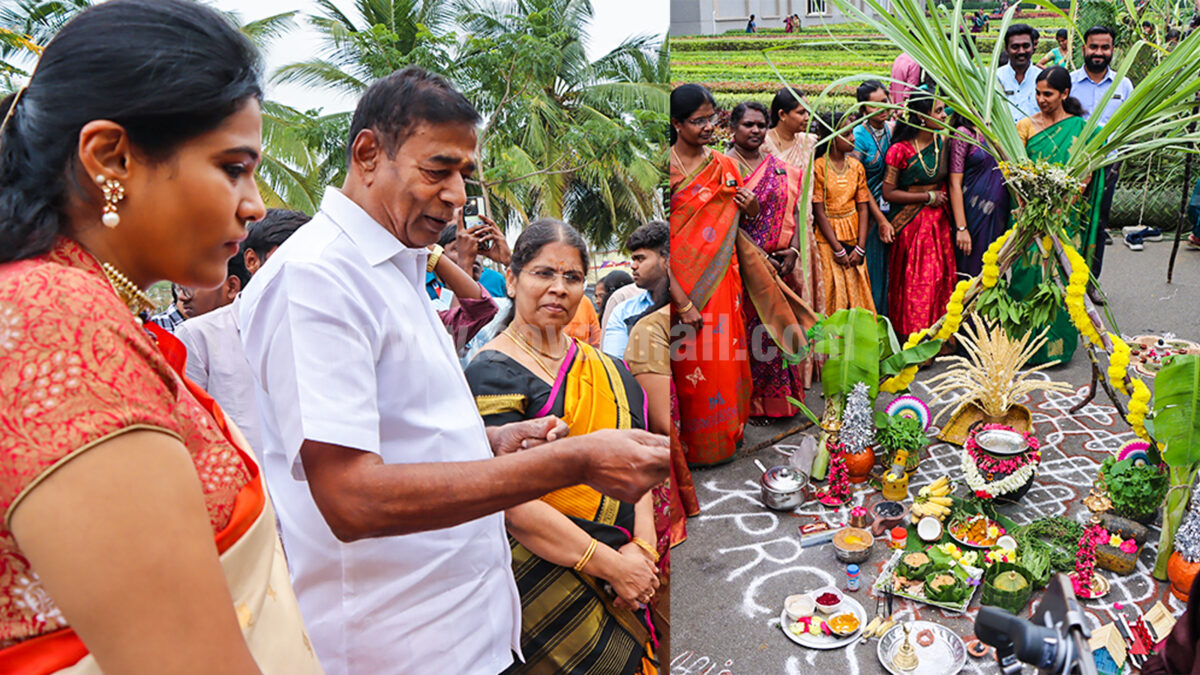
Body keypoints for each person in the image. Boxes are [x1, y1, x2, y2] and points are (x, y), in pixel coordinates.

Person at [239, 66, 669, 675]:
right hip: (401, 646)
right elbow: (350, 497)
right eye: (438, 169)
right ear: (368, 154)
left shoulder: (398, 269)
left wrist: (488, 443)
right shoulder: (319, 278)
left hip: (472, 629)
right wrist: (567, 462)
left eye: (464, 174)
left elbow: (399, 434)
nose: (458, 195)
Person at [0, 1, 321, 671]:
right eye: (233, 167)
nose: (255, 203)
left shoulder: (82, 302)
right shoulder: (55, 321)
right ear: (110, 157)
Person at [464, 219, 659, 675]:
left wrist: (642, 554)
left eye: (571, 277)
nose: (558, 288)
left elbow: (641, 466)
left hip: (628, 572)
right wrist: (611, 566)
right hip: (544, 583)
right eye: (542, 273)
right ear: (511, 280)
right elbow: (508, 500)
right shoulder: (489, 373)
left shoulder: (609, 368)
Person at [176, 208, 308, 460]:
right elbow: (189, 435)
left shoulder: (321, 331)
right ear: (251, 261)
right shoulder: (198, 337)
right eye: (288, 261)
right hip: (244, 491)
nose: (303, 272)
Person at [669, 83, 753, 466]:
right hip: (681, 289)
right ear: (676, 123)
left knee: (724, 363)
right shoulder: (667, 168)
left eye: (711, 119)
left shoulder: (725, 164)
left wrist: (749, 206)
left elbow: (739, 218)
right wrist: (682, 300)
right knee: (690, 369)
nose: (707, 127)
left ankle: (725, 437)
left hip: (722, 282)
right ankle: (694, 448)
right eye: (697, 121)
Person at [725, 101, 817, 417]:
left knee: (775, 335)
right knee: (746, 335)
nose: (755, 130)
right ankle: (750, 405)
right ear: (732, 128)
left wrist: (792, 250)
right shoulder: (723, 168)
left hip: (778, 266)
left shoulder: (779, 168)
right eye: (748, 124)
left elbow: (792, 212)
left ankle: (780, 404)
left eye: (760, 125)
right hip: (739, 267)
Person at [1014, 66, 1102, 366]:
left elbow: (1086, 172)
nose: (1041, 99)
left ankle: (1057, 348)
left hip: (1066, 216)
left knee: (1063, 278)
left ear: (1065, 94)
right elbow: (1015, 171)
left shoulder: (1080, 128)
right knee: (1027, 276)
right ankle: (1022, 345)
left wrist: (1065, 201)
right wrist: (1028, 203)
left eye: (1048, 94)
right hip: (1031, 215)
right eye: (1037, 93)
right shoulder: (1025, 126)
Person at [881, 93, 957, 338]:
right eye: (938, 111)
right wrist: (927, 198)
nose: (944, 115)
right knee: (918, 283)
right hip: (912, 225)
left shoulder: (943, 143)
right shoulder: (899, 150)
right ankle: (916, 340)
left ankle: (940, 339)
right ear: (922, 118)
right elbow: (889, 192)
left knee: (940, 280)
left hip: (939, 224)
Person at [1071, 25, 1133, 289]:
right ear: (1084, 48)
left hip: (1108, 166)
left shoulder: (1124, 85)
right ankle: (1066, 279)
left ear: (1113, 51)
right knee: (1070, 221)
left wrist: (1119, 159)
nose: (1099, 52)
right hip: (1073, 167)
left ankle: (1090, 283)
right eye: (1093, 47)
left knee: (1099, 222)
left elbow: (1130, 125)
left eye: (1104, 47)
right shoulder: (1069, 82)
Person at [762, 86, 825, 320]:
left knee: (805, 291)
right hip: (774, 233)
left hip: (805, 231)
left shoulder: (809, 142)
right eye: (801, 112)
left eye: (808, 112)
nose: (807, 117)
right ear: (781, 115)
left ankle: (809, 354)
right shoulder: (763, 145)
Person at [812, 111, 876, 314]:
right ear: (832, 137)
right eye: (847, 134)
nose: (853, 138)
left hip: (854, 231)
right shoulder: (819, 167)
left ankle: (858, 341)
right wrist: (838, 248)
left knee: (858, 289)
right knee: (833, 287)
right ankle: (833, 343)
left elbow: (863, 207)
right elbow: (819, 211)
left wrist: (861, 247)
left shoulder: (856, 167)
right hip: (828, 237)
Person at [851, 80, 896, 313]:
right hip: (867, 213)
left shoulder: (891, 129)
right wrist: (880, 220)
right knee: (873, 270)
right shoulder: (858, 137)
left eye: (885, 102)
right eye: (876, 105)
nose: (884, 109)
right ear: (863, 110)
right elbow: (859, 183)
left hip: (891, 208)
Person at [947, 112, 1010, 277]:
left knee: (995, 268)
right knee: (971, 270)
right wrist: (962, 227)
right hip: (972, 213)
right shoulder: (965, 134)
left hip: (998, 213)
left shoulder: (1000, 131)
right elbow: (954, 183)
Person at [429, 220, 503, 353]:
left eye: (477, 247)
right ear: (442, 257)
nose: (472, 254)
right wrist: (465, 263)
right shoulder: (431, 307)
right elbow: (456, 338)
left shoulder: (500, 301)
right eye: (457, 249)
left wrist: (508, 260)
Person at [603, 222, 669, 359]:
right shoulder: (624, 312)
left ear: (666, 259)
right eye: (633, 259)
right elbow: (616, 366)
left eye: (640, 259)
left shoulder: (689, 306)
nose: (633, 266)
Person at [998, 23, 1043, 122]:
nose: (1021, 51)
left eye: (1026, 46)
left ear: (1033, 47)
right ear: (1006, 48)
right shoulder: (995, 78)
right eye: (1015, 47)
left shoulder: (1043, 78)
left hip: (1036, 136)